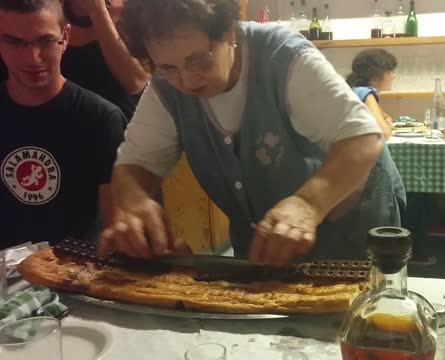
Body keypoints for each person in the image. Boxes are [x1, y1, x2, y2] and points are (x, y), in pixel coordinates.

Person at [97, 0, 406, 266]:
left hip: (350, 227)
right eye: (168, 67)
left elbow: (363, 137)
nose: (187, 81)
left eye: (199, 60)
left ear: (229, 31)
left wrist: (309, 204)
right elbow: (134, 165)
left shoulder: (283, 57)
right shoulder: (164, 86)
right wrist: (135, 203)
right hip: (262, 247)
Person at [0, 0, 126, 250]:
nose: (32, 58)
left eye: (45, 41)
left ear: (64, 37)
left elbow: (118, 227)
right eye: (14, 42)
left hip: (78, 274)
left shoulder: (101, 119)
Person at [59, 0, 149, 120]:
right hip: (62, 124)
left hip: (120, 128)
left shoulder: (134, 8)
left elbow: (136, 82)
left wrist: (98, 11)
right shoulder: (47, 9)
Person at [345, 48, 396, 140]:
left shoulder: (357, 90)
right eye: (389, 72)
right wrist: (388, 127)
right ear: (375, 77)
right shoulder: (366, 94)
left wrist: (387, 121)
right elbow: (384, 133)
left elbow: (386, 116)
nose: (393, 76)